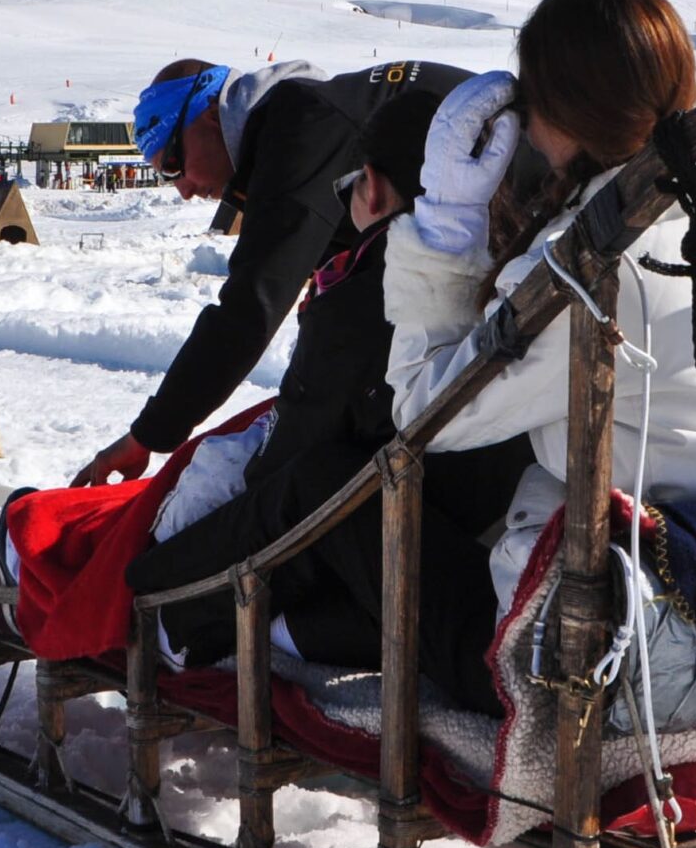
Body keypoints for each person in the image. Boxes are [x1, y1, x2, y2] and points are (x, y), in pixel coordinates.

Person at [378, 0, 696, 708]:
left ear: (565, 111)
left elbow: (424, 415)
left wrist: (444, 227)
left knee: (360, 538)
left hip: (625, 629)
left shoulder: (588, 271)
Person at [123, 90, 530, 673]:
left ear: (373, 187)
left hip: (422, 593)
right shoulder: (523, 270)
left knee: (301, 484)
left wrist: (166, 566)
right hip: (493, 545)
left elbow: (292, 461)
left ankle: (168, 607)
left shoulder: (372, 289)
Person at [70, 53, 469, 488]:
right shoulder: (303, 125)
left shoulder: (300, 129)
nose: (182, 189)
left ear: (208, 113)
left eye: (172, 164)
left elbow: (249, 308)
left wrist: (148, 435)